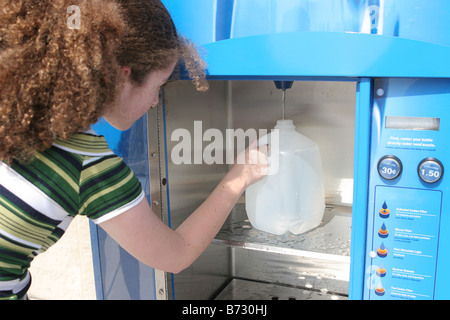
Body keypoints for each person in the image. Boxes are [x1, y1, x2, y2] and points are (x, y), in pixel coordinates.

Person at [0, 0, 268, 300]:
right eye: (159, 86)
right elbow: (177, 254)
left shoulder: (16, 106)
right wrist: (239, 178)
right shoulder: (87, 163)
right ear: (124, 77)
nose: (156, 101)